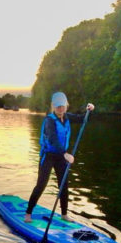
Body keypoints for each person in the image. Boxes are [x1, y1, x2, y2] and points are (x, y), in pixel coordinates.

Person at [25, 92, 95, 223]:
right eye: (57, 106)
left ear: (66, 105)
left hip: (61, 157)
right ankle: (28, 213)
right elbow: (52, 139)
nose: (60, 109)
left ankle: (64, 214)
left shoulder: (67, 117)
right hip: (49, 156)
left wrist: (89, 110)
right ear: (53, 106)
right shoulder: (49, 120)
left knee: (63, 185)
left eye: (62, 106)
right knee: (41, 184)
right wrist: (65, 153)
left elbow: (82, 119)